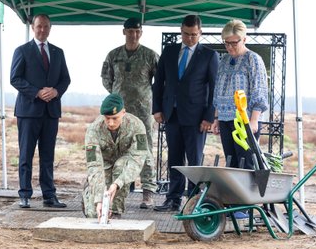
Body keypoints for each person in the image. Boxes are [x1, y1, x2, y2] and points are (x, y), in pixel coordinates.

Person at [152, 15, 219, 212]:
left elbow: (214, 88)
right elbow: (159, 81)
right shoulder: (170, 51)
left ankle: (193, 201)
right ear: (181, 31)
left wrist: (209, 117)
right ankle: (172, 199)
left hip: (197, 118)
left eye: (194, 35)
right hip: (171, 114)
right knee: (174, 159)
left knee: (194, 161)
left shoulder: (209, 55)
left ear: (201, 33)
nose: (189, 38)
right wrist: (156, 108)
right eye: (186, 34)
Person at [10, 14, 71, 208]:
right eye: (39, 27)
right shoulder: (22, 51)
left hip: (51, 112)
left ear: (50, 28)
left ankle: (49, 196)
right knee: (26, 154)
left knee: (48, 156)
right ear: (33, 27)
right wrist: (37, 92)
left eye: (45, 27)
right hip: (28, 112)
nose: (42, 30)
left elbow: (65, 79)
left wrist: (55, 91)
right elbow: (15, 78)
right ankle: (25, 195)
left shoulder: (58, 52)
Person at [211, 19, 268, 219]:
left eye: (234, 43)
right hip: (226, 119)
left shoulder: (254, 59)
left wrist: (253, 120)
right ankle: (234, 204)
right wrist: (216, 118)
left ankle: (247, 205)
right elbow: (218, 90)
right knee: (232, 162)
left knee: (247, 162)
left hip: (245, 120)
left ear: (244, 39)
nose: (230, 47)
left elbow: (259, 92)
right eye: (226, 43)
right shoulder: (224, 60)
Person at [101, 17, 159, 209]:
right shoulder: (113, 55)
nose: (133, 34)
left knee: (145, 148)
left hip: (143, 112)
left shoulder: (150, 55)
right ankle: (119, 190)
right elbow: (106, 79)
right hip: (119, 114)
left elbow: (159, 83)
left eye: (137, 31)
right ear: (124, 32)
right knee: (119, 149)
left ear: (140, 33)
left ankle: (148, 192)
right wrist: (117, 96)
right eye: (130, 31)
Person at [82, 93, 148, 220]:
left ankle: (116, 212)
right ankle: (88, 191)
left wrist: (117, 184)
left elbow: (137, 159)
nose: (111, 123)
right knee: (94, 214)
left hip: (125, 165)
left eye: (115, 118)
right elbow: (94, 164)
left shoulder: (137, 125)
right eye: (107, 118)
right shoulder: (93, 130)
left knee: (120, 167)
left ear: (123, 112)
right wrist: (98, 199)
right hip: (103, 166)